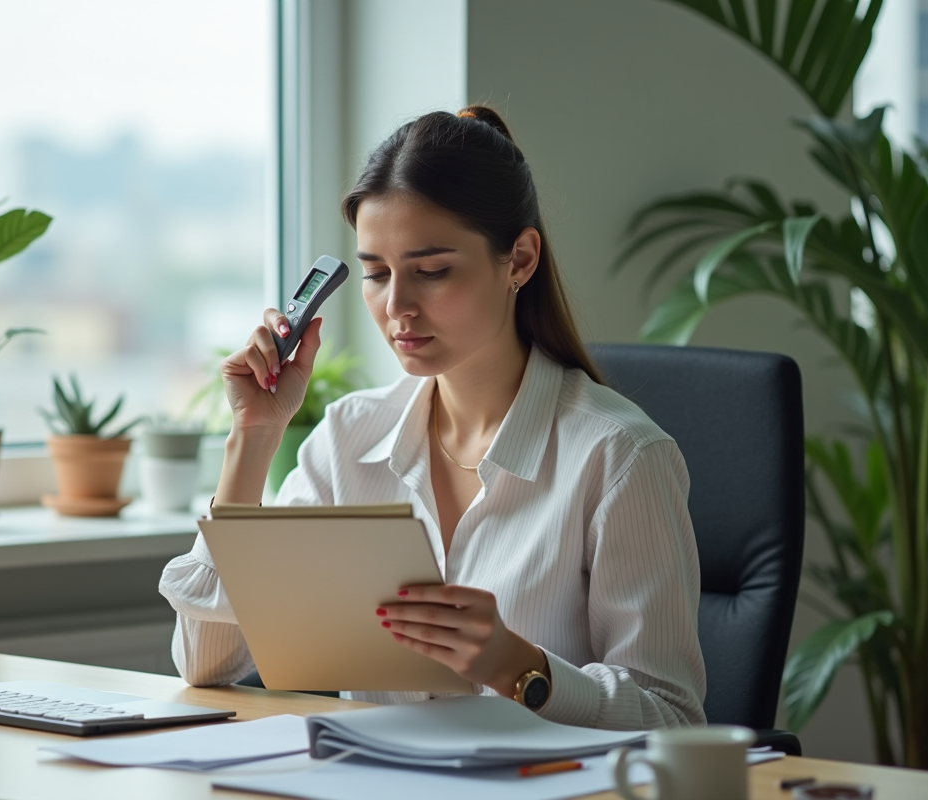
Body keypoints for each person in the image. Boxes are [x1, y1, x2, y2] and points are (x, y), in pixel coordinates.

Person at [160, 106, 707, 730]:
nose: (397, 306)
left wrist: (518, 667)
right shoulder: (347, 440)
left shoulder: (618, 456)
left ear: (520, 260)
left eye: (433, 271)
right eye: (374, 273)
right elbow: (207, 665)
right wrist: (252, 438)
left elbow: (676, 721)